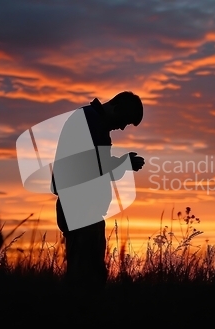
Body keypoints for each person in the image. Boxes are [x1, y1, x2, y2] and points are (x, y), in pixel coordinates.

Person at [51, 91, 145, 290]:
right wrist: (122, 164)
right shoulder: (88, 122)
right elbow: (90, 166)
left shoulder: (93, 122)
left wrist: (122, 165)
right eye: (124, 121)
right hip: (79, 208)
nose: (122, 127)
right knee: (85, 274)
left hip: (85, 210)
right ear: (117, 108)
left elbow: (97, 168)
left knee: (89, 271)